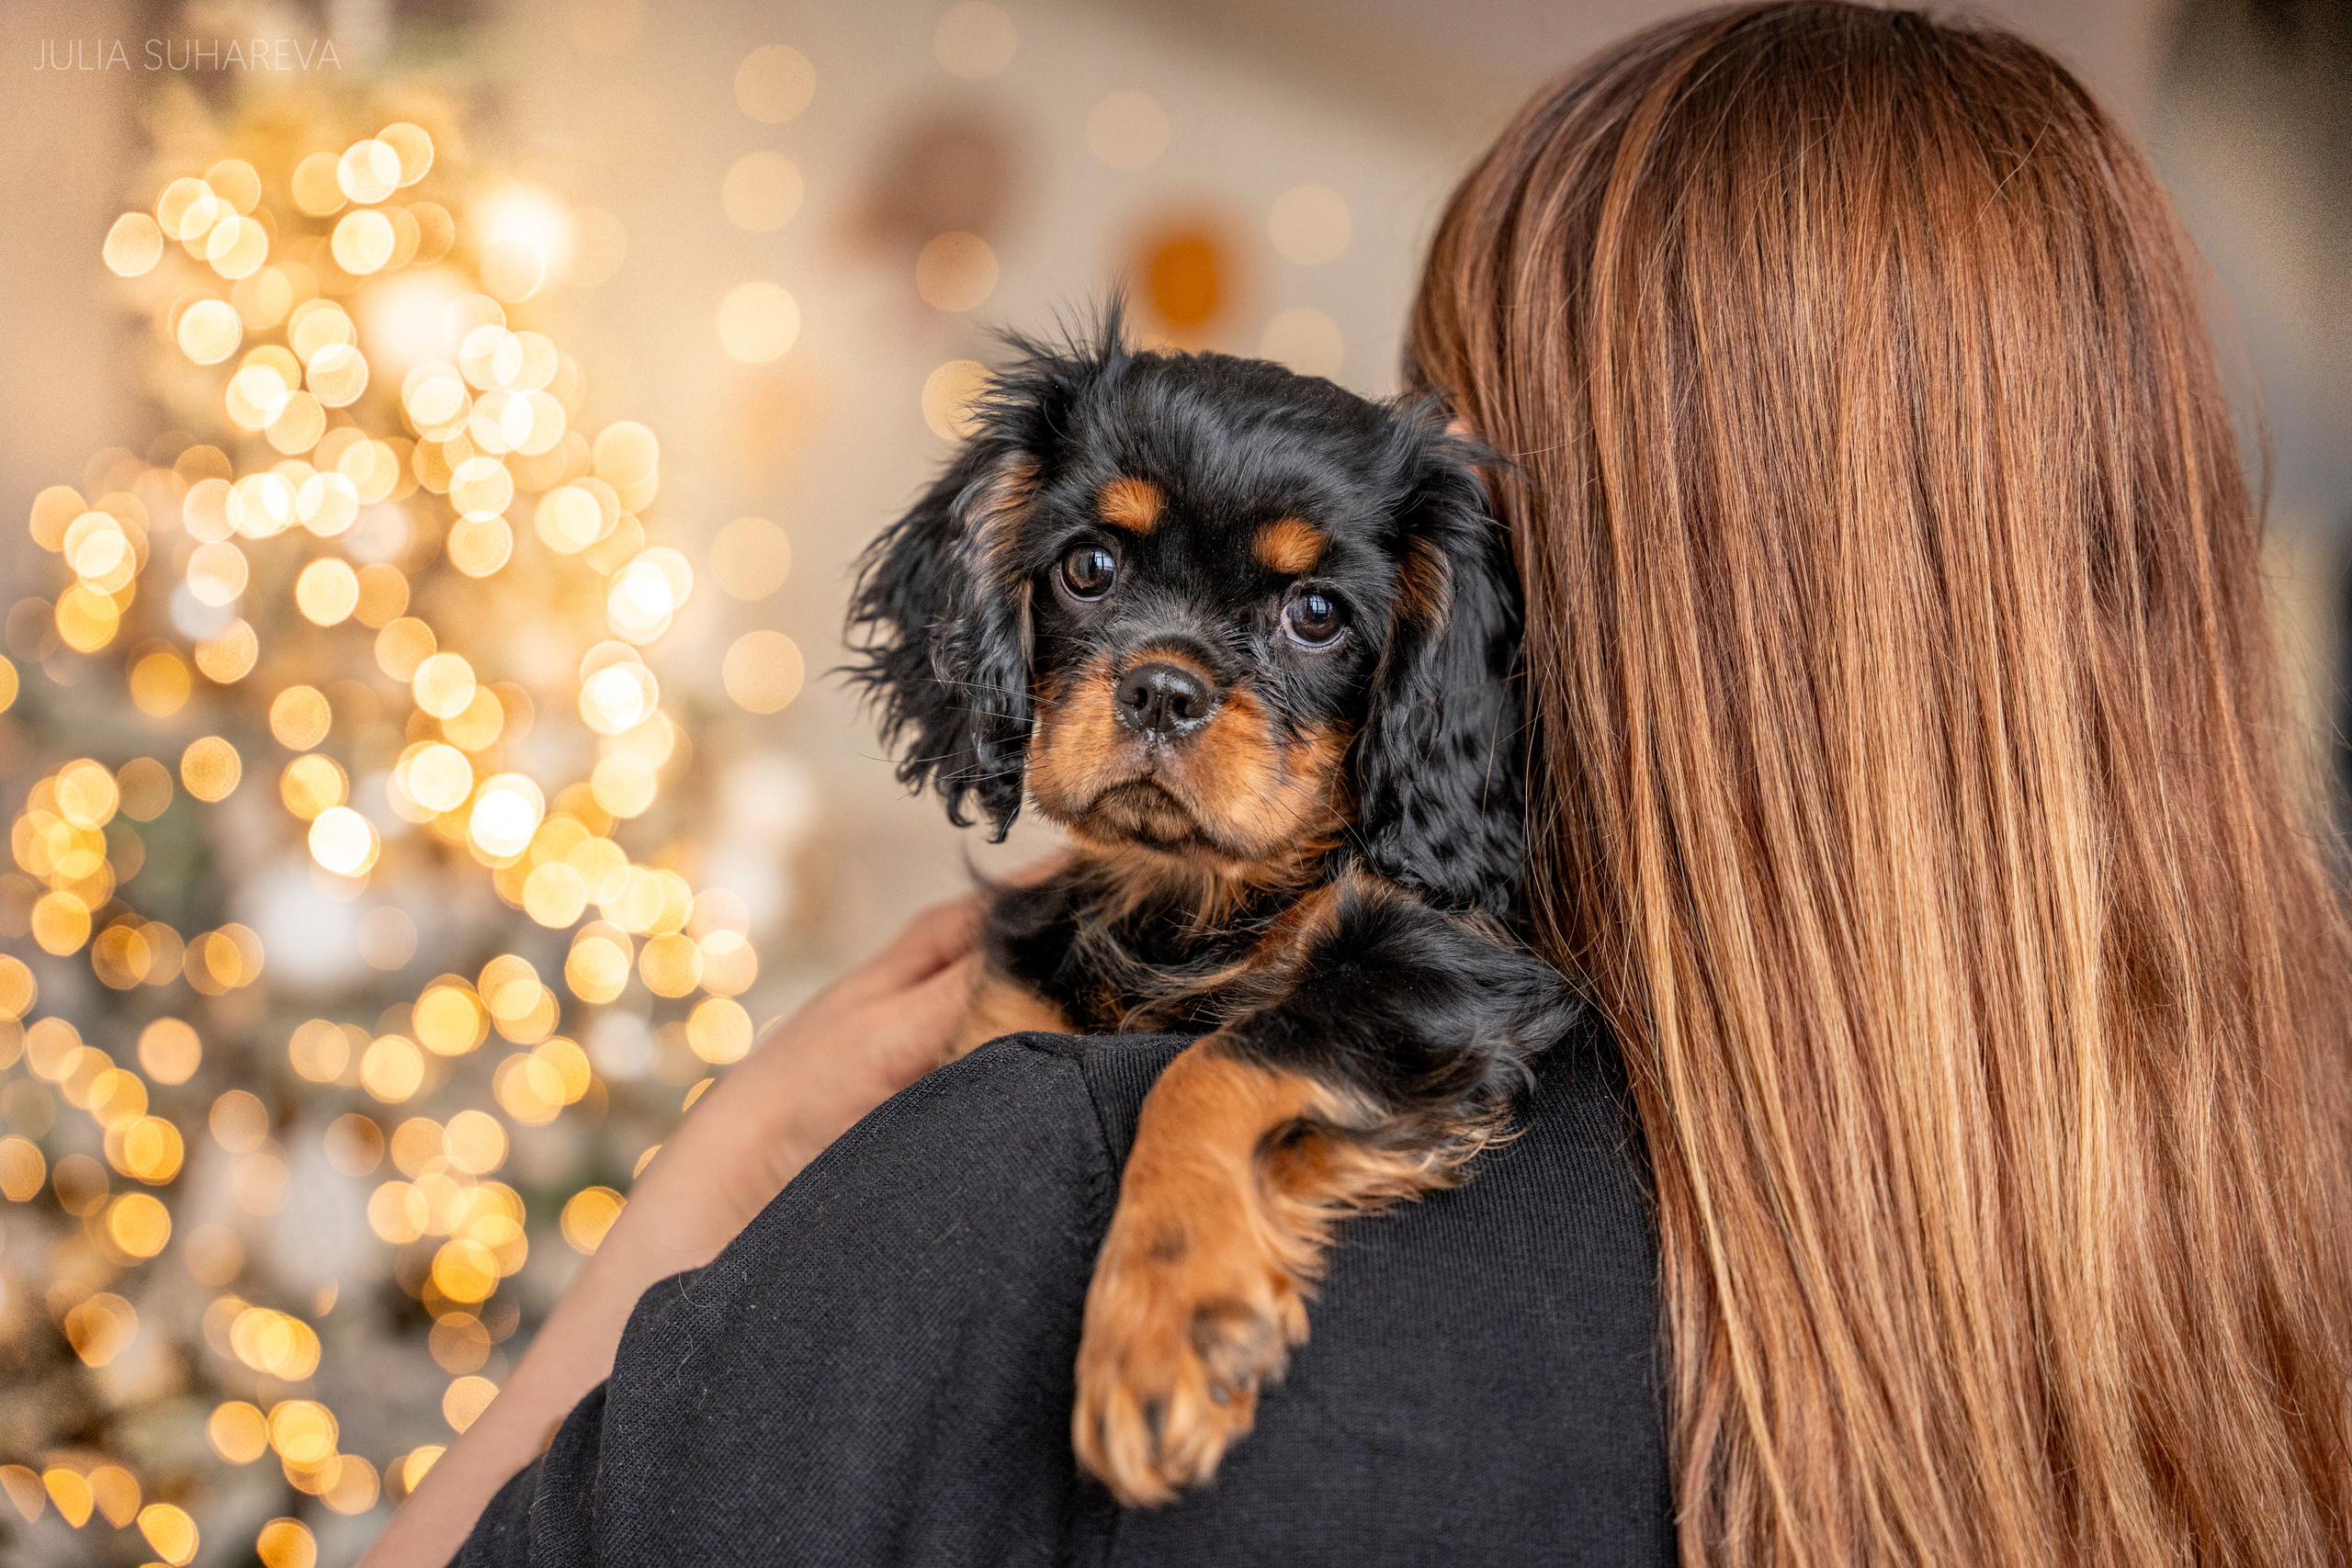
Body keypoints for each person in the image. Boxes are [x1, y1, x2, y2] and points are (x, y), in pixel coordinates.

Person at [367, 4, 2352, 1564]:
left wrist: (695, 1209)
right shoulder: (2262, 1309)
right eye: (1092, 575)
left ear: (1485, 620)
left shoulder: (1044, 1182)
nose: (1173, 667)